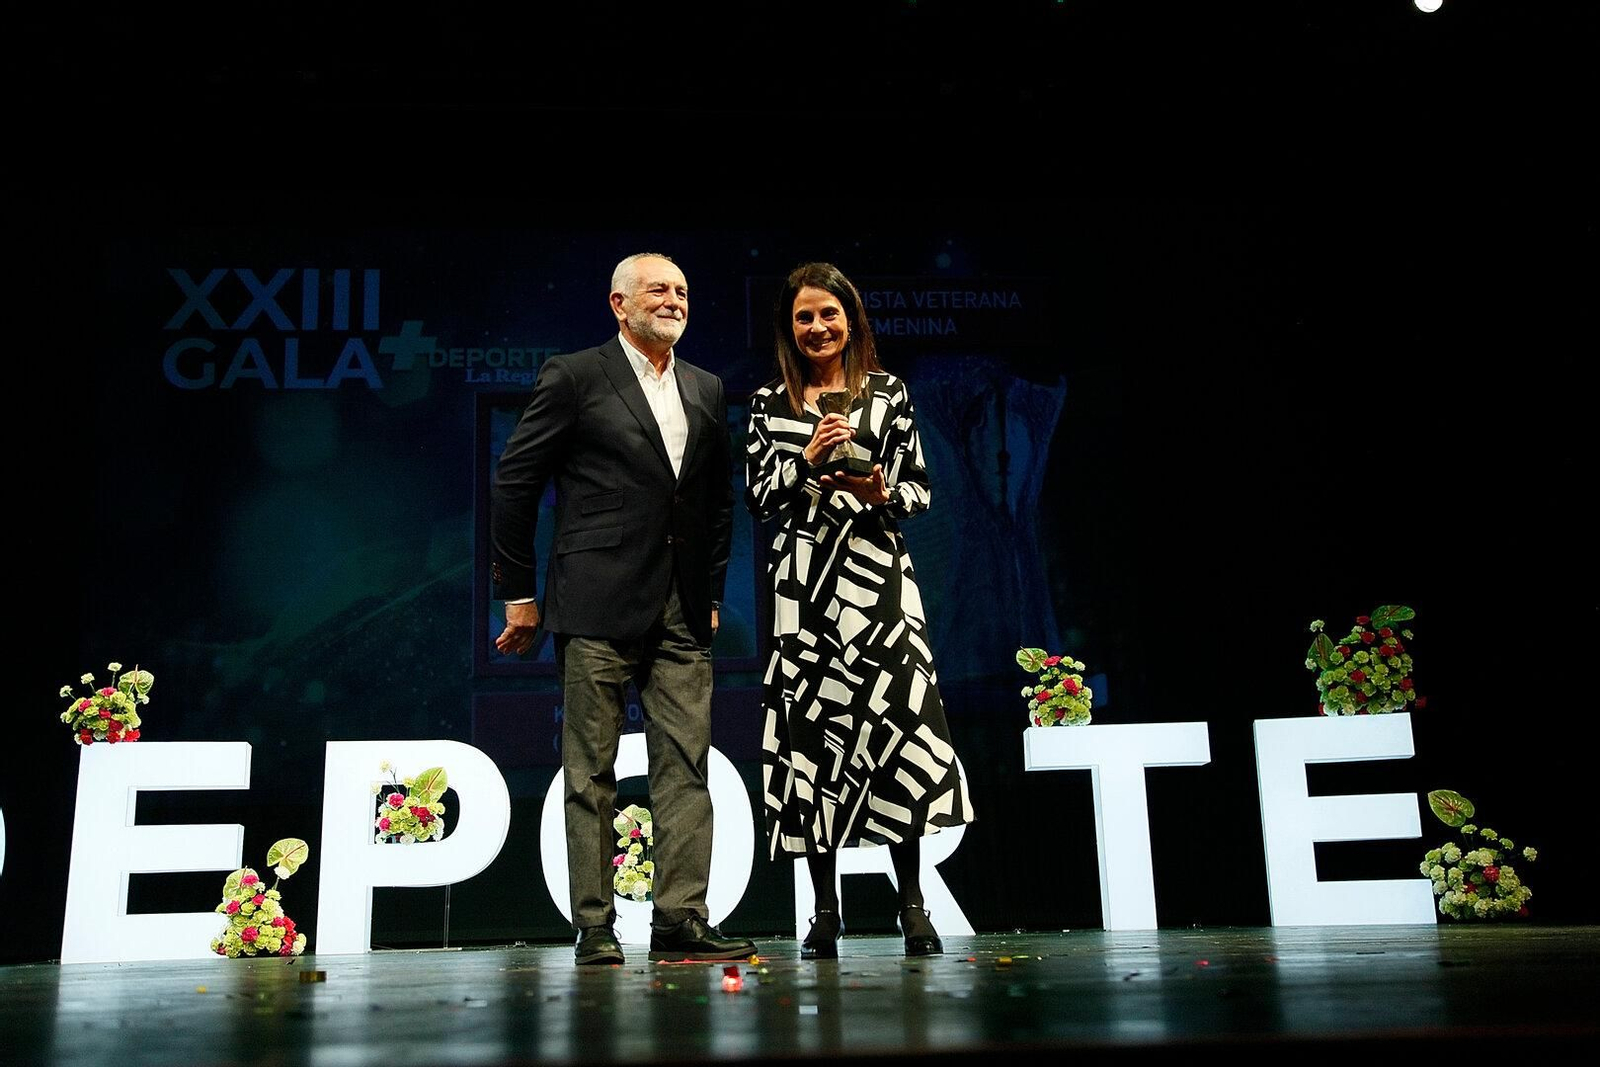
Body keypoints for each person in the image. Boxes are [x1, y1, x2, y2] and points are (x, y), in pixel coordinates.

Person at [491, 252, 754, 965]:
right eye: (658, 290)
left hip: (681, 611)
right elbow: (514, 483)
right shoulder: (575, 375)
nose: (674, 300)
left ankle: (681, 918)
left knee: (686, 766)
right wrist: (518, 593)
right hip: (595, 600)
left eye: (683, 290)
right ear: (619, 303)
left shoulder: (705, 386)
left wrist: (712, 592)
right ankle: (595, 924)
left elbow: (717, 503)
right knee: (590, 772)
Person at [744, 262, 974, 959]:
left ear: (851, 319)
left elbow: (919, 490)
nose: (818, 327)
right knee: (813, 741)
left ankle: (912, 905)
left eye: (829, 313)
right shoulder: (766, 404)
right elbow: (759, 497)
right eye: (804, 316)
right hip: (804, 591)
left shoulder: (889, 393)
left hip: (879, 587)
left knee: (895, 731)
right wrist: (807, 463)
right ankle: (823, 910)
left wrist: (879, 492)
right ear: (789, 326)